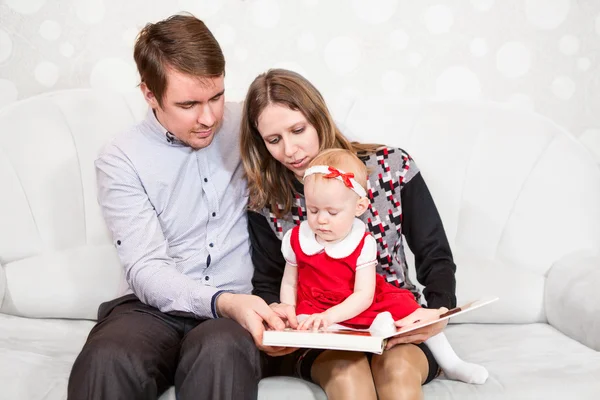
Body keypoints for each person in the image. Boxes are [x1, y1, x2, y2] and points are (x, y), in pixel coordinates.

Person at [67, 15, 293, 400]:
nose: (208, 118)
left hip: (235, 312)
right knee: (107, 358)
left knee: (221, 352)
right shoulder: (120, 158)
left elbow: (325, 145)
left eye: (216, 97)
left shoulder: (250, 120)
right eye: (188, 104)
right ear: (150, 94)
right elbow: (146, 267)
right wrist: (223, 302)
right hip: (149, 308)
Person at [240, 68, 464, 400]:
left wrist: (439, 311)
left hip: (394, 319)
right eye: (274, 140)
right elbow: (271, 281)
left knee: (398, 373)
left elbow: (435, 254)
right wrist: (279, 322)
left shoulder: (392, 167)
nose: (290, 150)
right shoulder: (266, 202)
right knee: (348, 377)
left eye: (298, 130)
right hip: (322, 330)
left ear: (318, 118)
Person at [279, 148, 488, 385]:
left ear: (359, 207)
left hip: (359, 299)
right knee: (317, 328)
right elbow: (289, 281)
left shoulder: (362, 242)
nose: (321, 220)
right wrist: (289, 309)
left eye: (332, 212)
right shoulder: (298, 238)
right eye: (313, 210)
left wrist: (330, 315)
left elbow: (364, 295)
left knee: (410, 310)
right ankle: (370, 334)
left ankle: (451, 363)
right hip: (317, 303)